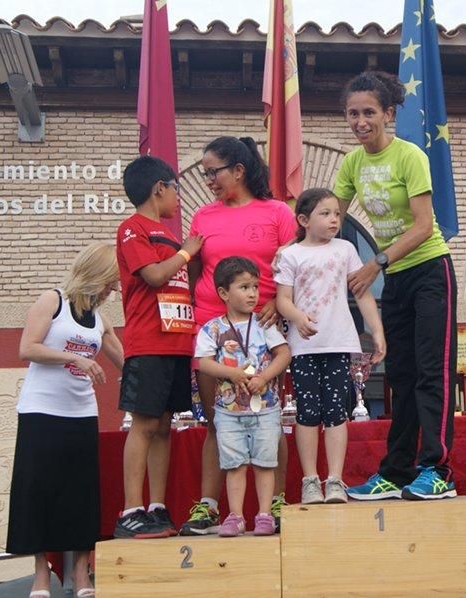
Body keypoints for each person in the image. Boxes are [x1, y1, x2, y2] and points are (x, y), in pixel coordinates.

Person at [333, 71, 458, 500]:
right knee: (400, 376)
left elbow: (424, 227)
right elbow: (331, 218)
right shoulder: (352, 163)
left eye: (369, 112)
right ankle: (396, 471)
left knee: (430, 372)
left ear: (388, 114)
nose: (360, 121)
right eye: (353, 113)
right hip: (398, 278)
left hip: (429, 270)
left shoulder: (409, 156)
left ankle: (437, 469)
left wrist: (375, 263)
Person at [179, 136, 297, 536]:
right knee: (218, 421)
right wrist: (200, 321)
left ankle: (275, 503)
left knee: (268, 418)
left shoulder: (278, 212)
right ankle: (210, 507)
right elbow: (196, 275)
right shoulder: (203, 217)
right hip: (212, 331)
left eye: (213, 171)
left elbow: (291, 271)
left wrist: (278, 306)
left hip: (263, 333)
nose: (208, 179)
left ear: (239, 170)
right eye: (205, 172)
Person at [8, 242, 123, 598]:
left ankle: (80, 571)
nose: (113, 290)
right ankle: (41, 574)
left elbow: (124, 360)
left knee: (80, 493)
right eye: (110, 282)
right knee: (40, 490)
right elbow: (28, 348)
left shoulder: (100, 321)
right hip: (42, 410)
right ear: (95, 275)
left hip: (80, 413)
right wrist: (75, 359)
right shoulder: (52, 302)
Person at [274, 188, 386, 504]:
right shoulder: (291, 254)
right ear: (303, 220)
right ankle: (311, 480)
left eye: (337, 213)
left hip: (338, 342)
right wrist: (298, 317)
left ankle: (334, 479)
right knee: (308, 412)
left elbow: (362, 292)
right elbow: (282, 299)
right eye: (325, 214)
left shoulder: (346, 249)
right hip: (304, 347)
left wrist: (377, 331)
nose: (334, 219)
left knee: (337, 411)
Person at [114, 155, 203, 539]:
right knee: (145, 423)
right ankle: (131, 509)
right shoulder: (133, 229)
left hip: (178, 343)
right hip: (148, 341)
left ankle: (157, 506)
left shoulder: (170, 235)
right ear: (158, 189)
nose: (178, 197)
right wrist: (186, 252)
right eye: (176, 188)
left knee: (166, 425)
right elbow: (152, 276)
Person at [195, 257, 291, 536]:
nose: (252, 294)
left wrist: (264, 377)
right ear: (224, 293)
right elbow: (202, 362)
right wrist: (232, 373)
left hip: (265, 409)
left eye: (255, 287)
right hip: (229, 411)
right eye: (244, 287)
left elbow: (284, 353)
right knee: (234, 463)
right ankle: (235, 515)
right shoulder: (212, 328)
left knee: (264, 462)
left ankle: (264, 514)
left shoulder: (264, 324)